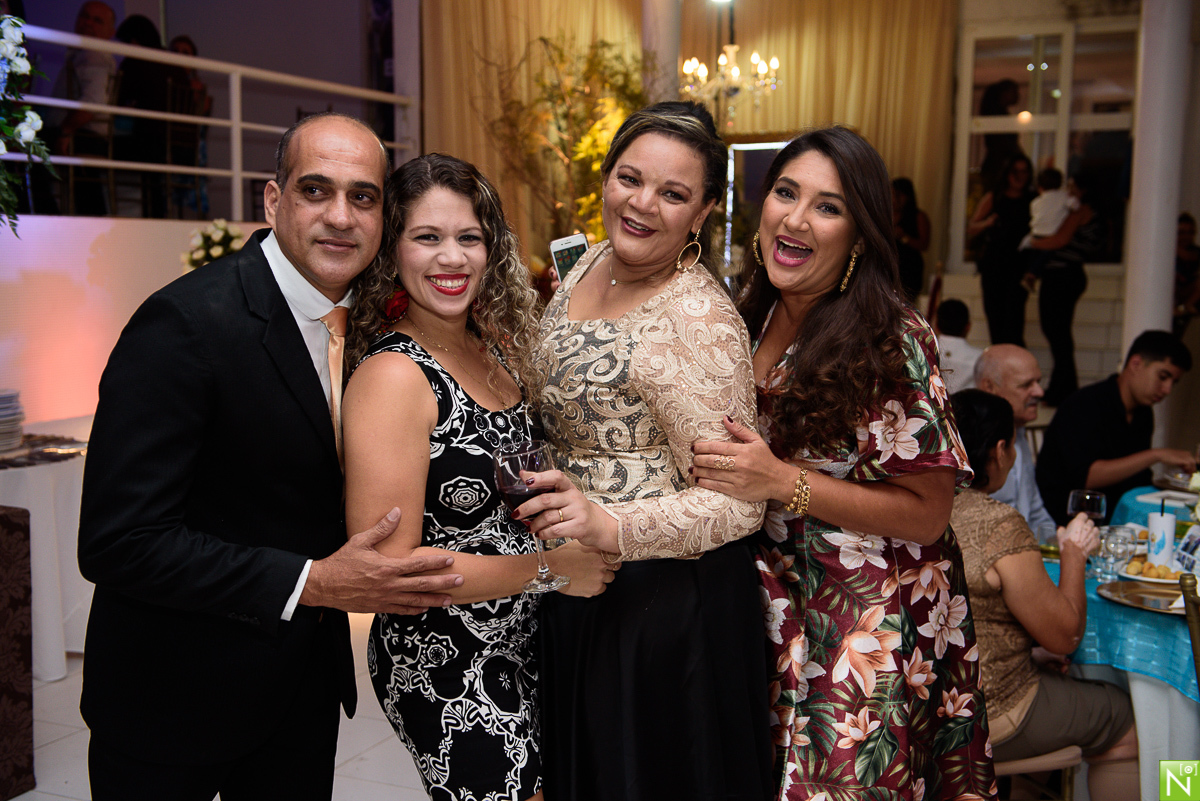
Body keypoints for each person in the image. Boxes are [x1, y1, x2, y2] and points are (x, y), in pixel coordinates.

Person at [78, 113, 464, 801]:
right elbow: (119, 541)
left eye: (364, 196)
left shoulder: (374, 327)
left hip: (298, 698)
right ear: (272, 199)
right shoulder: (186, 324)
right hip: (172, 703)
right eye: (316, 190)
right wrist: (312, 581)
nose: (341, 216)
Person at [691, 127, 996, 798]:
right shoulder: (751, 311)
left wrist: (781, 481)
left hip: (865, 626)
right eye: (786, 193)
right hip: (773, 613)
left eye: (827, 206)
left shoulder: (888, 337)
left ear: (859, 234)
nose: (796, 218)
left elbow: (929, 512)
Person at [516, 101, 772, 801]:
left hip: (661, 611)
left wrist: (614, 527)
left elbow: (738, 502)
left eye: (673, 193)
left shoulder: (699, 317)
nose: (643, 204)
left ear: (704, 212)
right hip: (577, 583)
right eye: (630, 178)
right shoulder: (590, 263)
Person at [342, 153, 614, 801]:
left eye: (469, 237)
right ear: (392, 249)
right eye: (427, 237)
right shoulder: (394, 376)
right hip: (445, 663)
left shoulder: (489, 350)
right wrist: (553, 568)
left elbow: (514, 495)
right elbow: (390, 574)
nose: (452, 258)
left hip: (527, 641)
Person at [949, 389, 1138, 801]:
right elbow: (1065, 637)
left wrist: (1029, 652)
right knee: (1128, 720)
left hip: (929, 705)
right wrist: (1074, 554)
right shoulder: (998, 523)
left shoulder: (918, 508)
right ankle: (1185, 786)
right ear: (1000, 450)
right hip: (991, 711)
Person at [1037, 330, 1196, 523]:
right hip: (1066, 522)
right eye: (1163, 377)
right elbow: (1087, 478)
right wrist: (1157, 455)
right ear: (1136, 363)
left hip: (1118, 519)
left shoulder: (1143, 413)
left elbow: (1138, 479)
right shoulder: (1085, 404)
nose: (1167, 390)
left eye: (1174, 382)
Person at [1023, 173, 1101, 406]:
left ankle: (1064, 389)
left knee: (1057, 332)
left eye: (1071, 187)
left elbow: (1058, 240)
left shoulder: (1079, 211)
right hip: (1066, 275)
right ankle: (1063, 386)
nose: (1067, 192)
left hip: (1063, 276)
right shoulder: (1087, 212)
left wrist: (1030, 242)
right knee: (1058, 332)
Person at [36, 1, 117, 215]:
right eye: (84, 16)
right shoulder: (85, 55)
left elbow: (93, 101)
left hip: (82, 134)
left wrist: (65, 130)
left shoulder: (93, 56)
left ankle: (47, 219)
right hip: (84, 134)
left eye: (97, 20)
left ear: (111, 32)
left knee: (24, 148)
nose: (87, 23)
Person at [974, 344, 1056, 535]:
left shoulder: (1017, 431)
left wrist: (1061, 542)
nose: (1039, 392)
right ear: (989, 387)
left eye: (1038, 382)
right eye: (1026, 385)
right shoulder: (969, 446)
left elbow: (1035, 512)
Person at [113, 14, 188, 218]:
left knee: (101, 145)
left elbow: (117, 98)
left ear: (133, 41)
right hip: (181, 145)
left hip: (150, 142)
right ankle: (157, 212)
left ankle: (109, 208)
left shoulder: (136, 62)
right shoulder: (174, 65)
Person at [968, 155, 1035, 347]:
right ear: (1007, 173)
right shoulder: (994, 197)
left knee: (1014, 321)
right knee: (996, 319)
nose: (1020, 176)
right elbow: (972, 227)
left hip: (1018, 267)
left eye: (1025, 171)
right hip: (994, 265)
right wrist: (989, 222)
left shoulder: (1032, 199)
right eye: (1016, 171)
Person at [1018, 167, 1078, 275]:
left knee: (1034, 255)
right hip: (1052, 235)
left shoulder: (1035, 202)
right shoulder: (1063, 196)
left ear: (1039, 186)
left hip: (1036, 234)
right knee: (1046, 255)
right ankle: (1032, 274)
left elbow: (1034, 216)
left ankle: (1029, 272)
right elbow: (1074, 205)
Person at [891, 177, 930, 302]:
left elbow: (924, 244)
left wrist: (904, 237)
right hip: (890, 265)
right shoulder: (886, 214)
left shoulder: (918, 216)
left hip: (909, 267)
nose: (894, 199)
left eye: (897, 195)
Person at [935, 298, 983, 394]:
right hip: (966, 408)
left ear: (936, 325)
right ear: (968, 327)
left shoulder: (923, 351)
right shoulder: (981, 358)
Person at [1174, 212, 1200, 336]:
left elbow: (1189, 256)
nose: (1186, 236)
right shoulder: (1165, 254)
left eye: (1190, 232)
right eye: (1181, 232)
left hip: (1190, 297)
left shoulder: (1195, 252)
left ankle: (1184, 308)